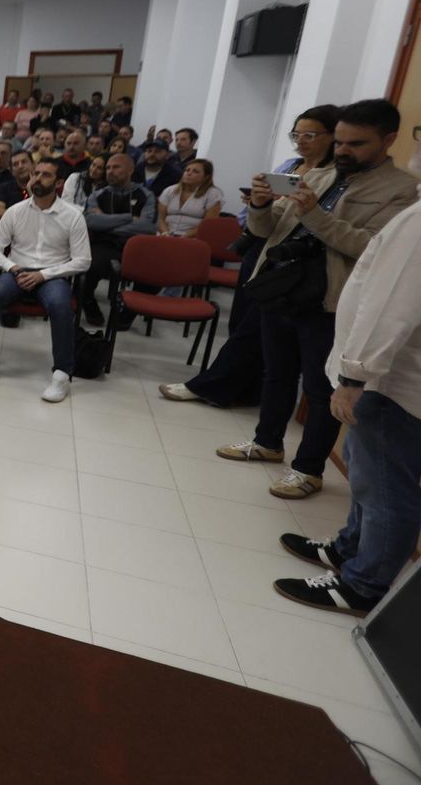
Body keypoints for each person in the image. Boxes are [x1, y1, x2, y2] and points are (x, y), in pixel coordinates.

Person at [216, 99, 418, 500]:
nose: (343, 151)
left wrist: (314, 214)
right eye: (339, 142)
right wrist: (258, 204)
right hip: (282, 289)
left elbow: (369, 248)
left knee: (321, 391)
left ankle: (308, 469)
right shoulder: (320, 175)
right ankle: (267, 442)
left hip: (329, 301)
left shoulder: (403, 193)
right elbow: (271, 228)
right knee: (275, 374)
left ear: (389, 139)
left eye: (356, 144)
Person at [273, 192, 421, 617]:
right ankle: (349, 549)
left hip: (393, 379)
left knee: (386, 489)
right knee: (365, 469)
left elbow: (392, 307)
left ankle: (364, 585)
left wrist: (355, 374)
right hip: (387, 376)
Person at [162, 105, 341, 409]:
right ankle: (244, 389)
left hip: (297, 262)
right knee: (244, 322)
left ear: (333, 136)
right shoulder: (290, 165)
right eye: (296, 134)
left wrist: (296, 205)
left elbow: (318, 222)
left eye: (310, 135)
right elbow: (264, 218)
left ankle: (212, 386)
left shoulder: (335, 176)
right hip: (261, 248)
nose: (301, 141)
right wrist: (257, 203)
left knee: (255, 327)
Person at [0, 158, 91, 403]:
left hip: (53, 274)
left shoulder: (73, 216)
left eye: (45, 175)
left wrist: (43, 274)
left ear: (59, 183)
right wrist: (13, 267)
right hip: (18, 270)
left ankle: (62, 374)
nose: (37, 179)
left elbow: (83, 261)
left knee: (61, 306)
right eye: (35, 174)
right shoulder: (15, 211)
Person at [80, 153, 155, 327]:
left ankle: (128, 313)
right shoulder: (98, 195)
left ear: (130, 170)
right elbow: (91, 221)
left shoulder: (146, 195)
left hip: (135, 246)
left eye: (116, 167)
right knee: (87, 265)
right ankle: (89, 304)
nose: (109, 172)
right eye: (107, 168)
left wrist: (106, 223)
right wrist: (129, 217)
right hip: (104, 244)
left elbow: (147, 227)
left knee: (154, 271)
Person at [157, 158, 223, 237]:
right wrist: (165, 233)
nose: (189, 173)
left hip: (194, 238)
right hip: (166, 234)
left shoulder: (213, 194)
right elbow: (161, 219)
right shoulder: (169, 190)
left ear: (206, 177)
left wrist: (185, 237)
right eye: (187, 170)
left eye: (195, 171)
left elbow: (208, 224)